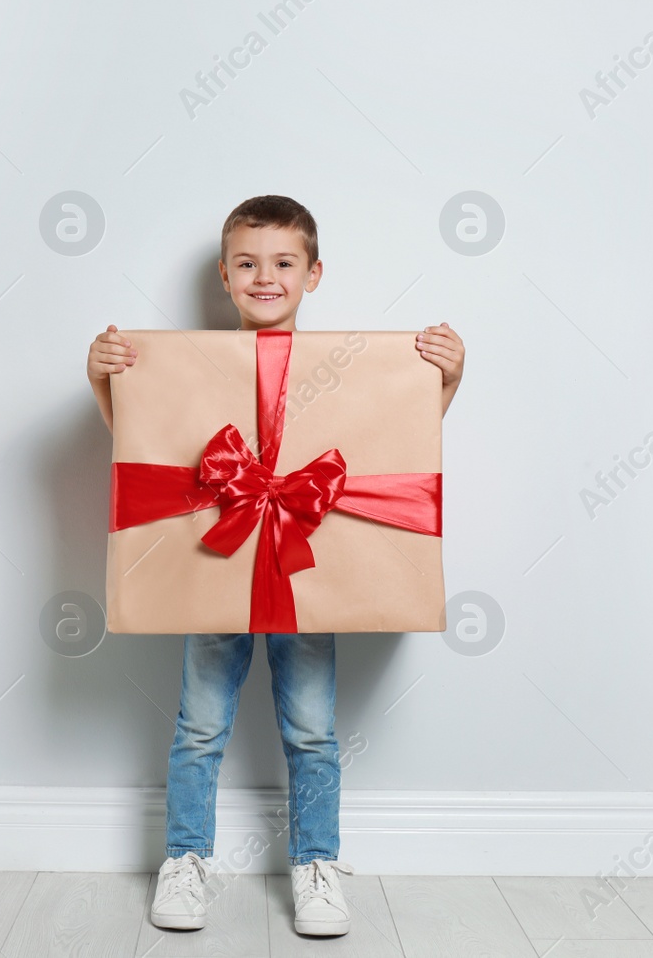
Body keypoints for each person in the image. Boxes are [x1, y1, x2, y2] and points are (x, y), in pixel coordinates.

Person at [85, 195, 464, 936]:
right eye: (248, 263)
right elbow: (149, 451)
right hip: (215, 565)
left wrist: (447, 379)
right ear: (224, 276)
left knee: (313, 728)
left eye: (283, 262)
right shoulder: (190, 369)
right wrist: (106, 380)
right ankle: (185, 858)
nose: (266, 276)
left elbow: (399, 445)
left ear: (313, 273)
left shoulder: (351, 369)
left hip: (304, 573)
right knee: (199, 724)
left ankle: (317, 863)